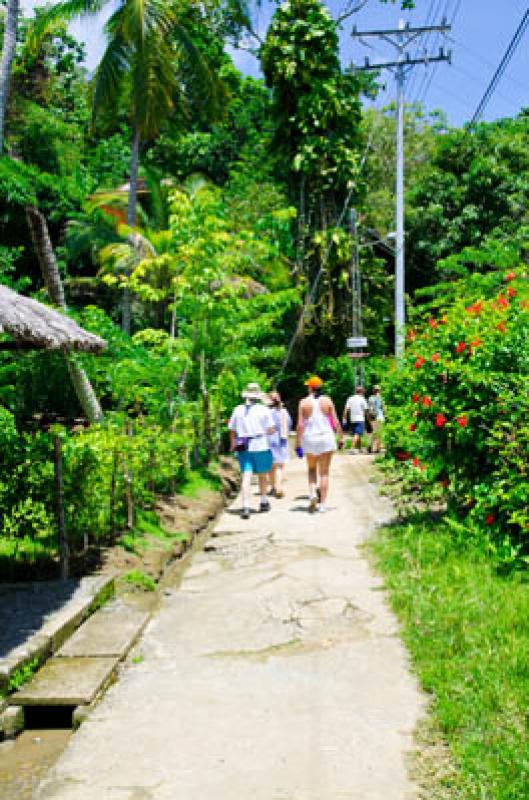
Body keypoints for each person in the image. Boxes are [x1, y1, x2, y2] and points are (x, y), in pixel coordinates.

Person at [296, 376, 343, 513]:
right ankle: (322, 505)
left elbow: (300, 425)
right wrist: (341, 438)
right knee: (324, 473)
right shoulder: (327, 400)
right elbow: (335, 422)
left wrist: (298, 443)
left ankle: (312, 494)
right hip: (326, 438)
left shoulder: (303, 402)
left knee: (311, 469)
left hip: (310, 438)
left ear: (310, 387)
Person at [229, 382, 275, 520]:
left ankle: (246, 506)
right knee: (262, 475)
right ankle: (263, 501)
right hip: (260, 444)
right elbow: (272, 428)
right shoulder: (263, 409)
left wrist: (233, 444)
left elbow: (232, 429)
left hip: (243, 444)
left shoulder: (237, 409)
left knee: (246, 475)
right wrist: (264, 431)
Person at [267, 391, 292, 499]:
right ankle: (278, 487)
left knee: (270, 466)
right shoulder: (284, 412)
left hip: (268, 440)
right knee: (279, 466)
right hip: (281, 440)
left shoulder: (266, 412)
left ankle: (273, 487)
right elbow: (290, 424)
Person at [342, 387, 368, 453]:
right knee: (357, 433)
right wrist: (366, 418)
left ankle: (360, 448)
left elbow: (346, 409)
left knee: (358, 434)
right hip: (360, 419)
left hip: (352, 419)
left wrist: (344, 417)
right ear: (361, 392)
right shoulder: (362, 399)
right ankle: (352, 448)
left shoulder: (350, 398)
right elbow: (365, 410)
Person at [367, 385, 385, 453]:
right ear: (379, 391)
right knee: (379, 433)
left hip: (373, 417)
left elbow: (369, 409)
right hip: (380, 417)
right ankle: (378, 448)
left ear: (373, 391)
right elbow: (383, 408)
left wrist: (368, 418)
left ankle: (370, 445)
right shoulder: (381, 398)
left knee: (374, 432)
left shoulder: (370, 398)